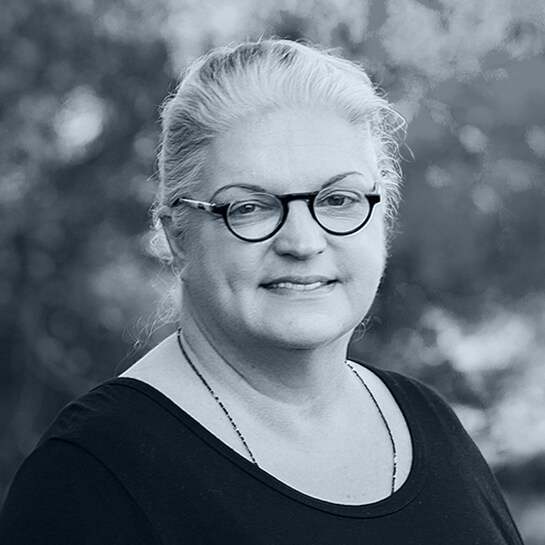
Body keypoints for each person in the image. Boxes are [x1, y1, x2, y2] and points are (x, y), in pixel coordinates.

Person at [0, 38, 524, 544]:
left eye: (339, 199)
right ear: (176, 236)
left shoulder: (429, 425)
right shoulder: (90, 477)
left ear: (380, 218)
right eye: (250, 207)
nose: (301, 241)